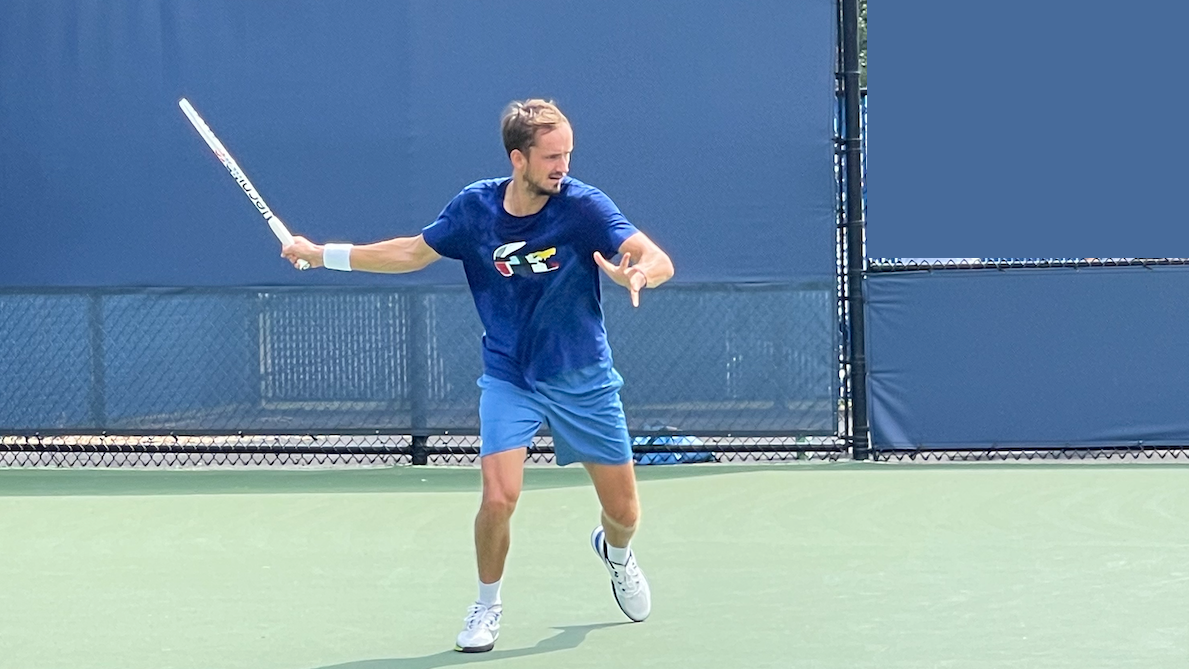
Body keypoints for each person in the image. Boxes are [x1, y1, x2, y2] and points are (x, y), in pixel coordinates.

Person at [281, 99, 674, 653]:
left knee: (624, 513)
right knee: (497, 498)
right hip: (510, 374)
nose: (563, 166)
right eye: (551, 157)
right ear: (519, 158)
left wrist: (641, 274)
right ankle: (487, 605)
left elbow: (653, 255)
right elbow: (411, 253)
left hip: (581, 374)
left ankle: (616, 554)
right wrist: (322, 255)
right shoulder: (475, 209)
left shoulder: (584, 207)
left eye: (568, 154)